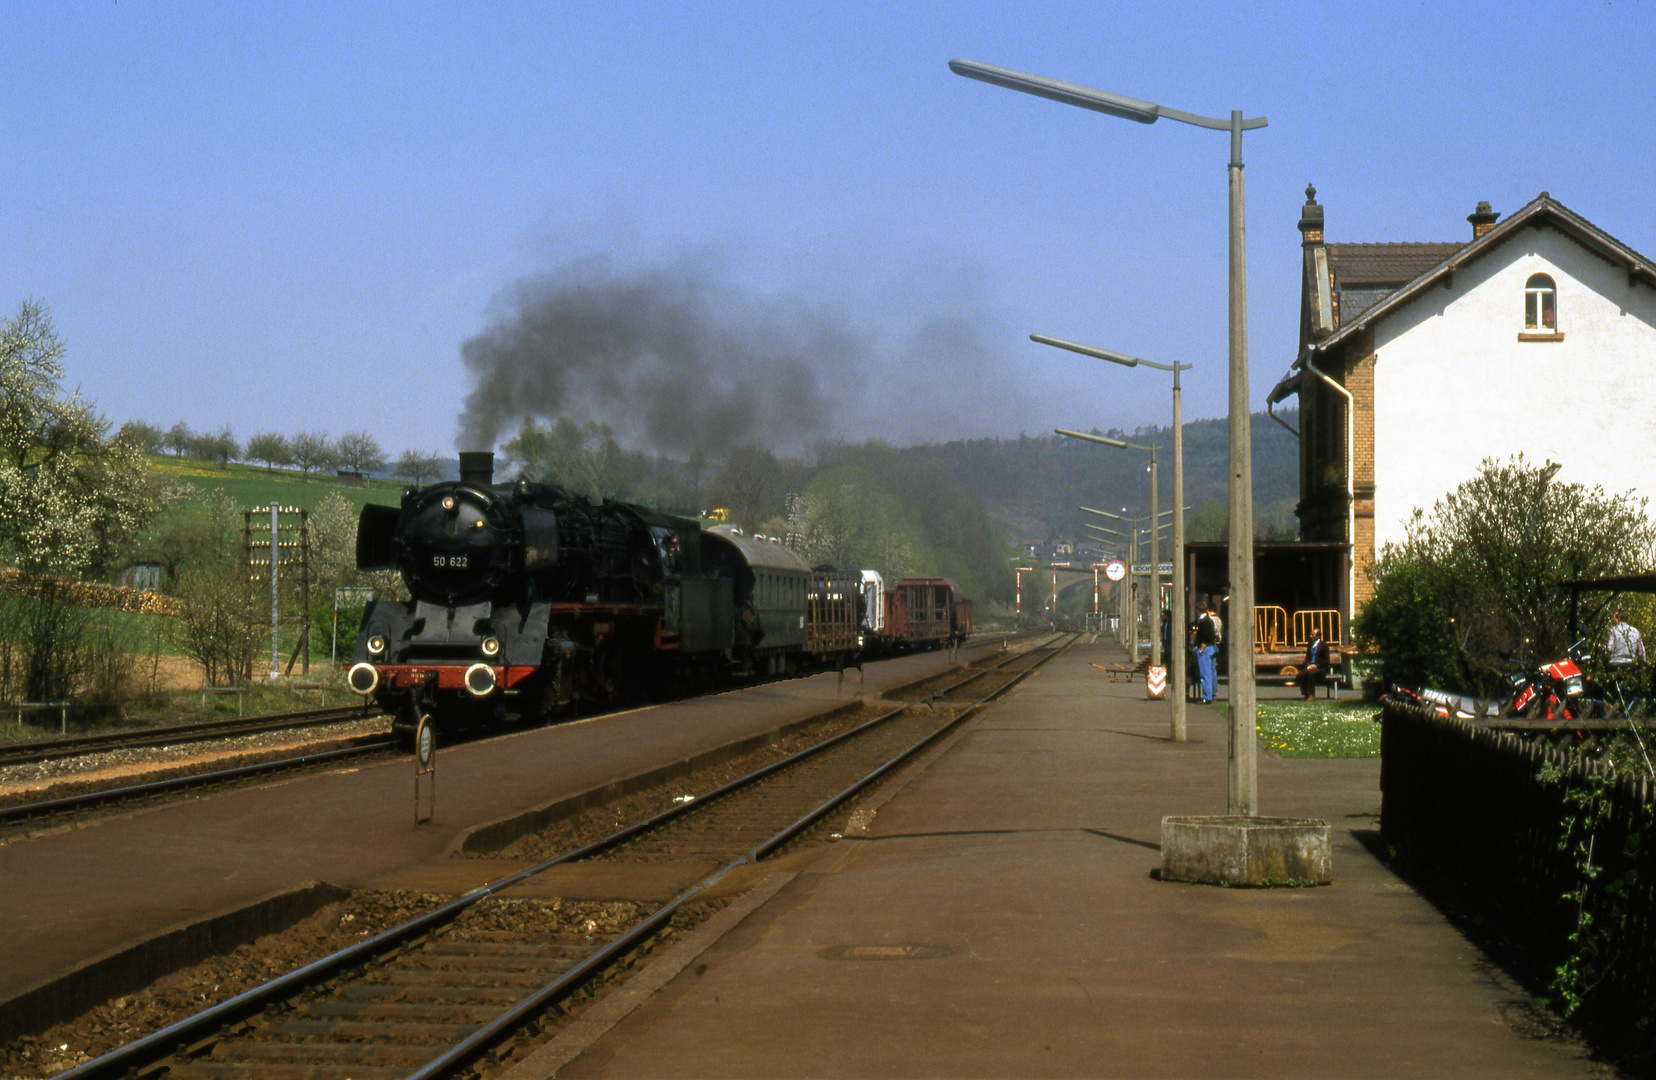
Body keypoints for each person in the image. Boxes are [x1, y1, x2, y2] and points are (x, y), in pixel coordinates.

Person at [1607, 609, 1645, 703]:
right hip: (1630, 664)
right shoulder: (1635, 632)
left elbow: (1609, 648)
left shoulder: (1613, 631)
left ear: (1618, 619)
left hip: (1615, 664)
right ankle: (1629, 702)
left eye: (1615, 618)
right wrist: (1640, 668)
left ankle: (1613, 701)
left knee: (1610, 682)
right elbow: (1642, 652)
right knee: (1630, 686)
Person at [1193, 601, 1218, 704]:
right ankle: (1212, 694)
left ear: (1198, 610)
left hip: (1205, 649)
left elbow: (1205, 636)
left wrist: (1201, 648)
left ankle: (1206, 697)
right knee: (1212, 673)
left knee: (1205, 674)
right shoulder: (1210, 621)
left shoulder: (1203, 622)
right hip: (1212, 648)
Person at [1296, 625, 1330, 701]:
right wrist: (1308, 665)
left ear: (1318, 636)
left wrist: (1316, 665)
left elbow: (1326, 661)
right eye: (1310, 634)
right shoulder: (1310, 645)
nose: (1310, 636)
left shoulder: (1324, 645)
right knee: (1301, 674)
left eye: (1313, 635)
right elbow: (1307, 657)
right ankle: (1306, 694)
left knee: (1310, 674)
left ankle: (1312, 695)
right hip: (1310, 666)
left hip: (1320, 667)